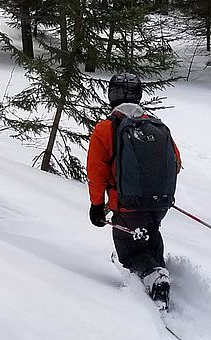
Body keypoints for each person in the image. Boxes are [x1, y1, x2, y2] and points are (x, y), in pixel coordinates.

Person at [86, 73, 181, 307]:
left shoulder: (106, 129)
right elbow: (176, 163)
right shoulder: (156, 126)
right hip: (159, 203)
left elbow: (96, 173)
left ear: (111, 96)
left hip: (127, 204)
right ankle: (158, 273)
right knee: (150, 234)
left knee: (129, 249)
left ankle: (155, 279)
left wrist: (97, 205)